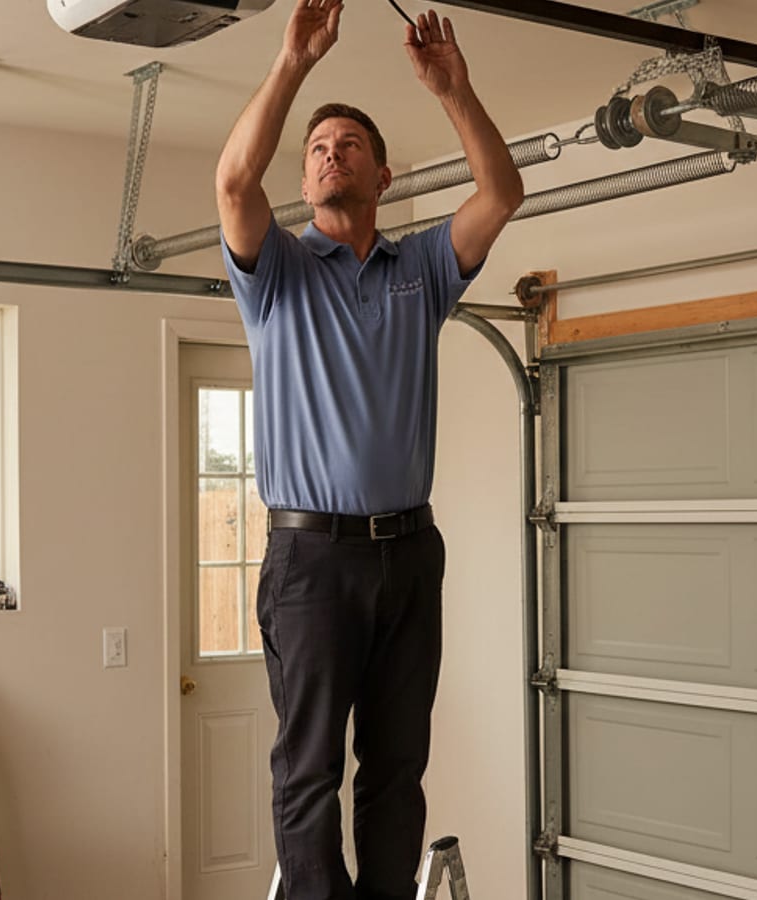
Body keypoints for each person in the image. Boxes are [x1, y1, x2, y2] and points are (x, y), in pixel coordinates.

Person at [214, 1, 522, 898]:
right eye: (316, 148)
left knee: (396, 770)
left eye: (347, 144)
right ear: (304, 181)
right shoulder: (274, 271)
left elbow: (501, 195)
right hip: (309, 560)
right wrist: (292, 62)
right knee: (308, 770)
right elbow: (235, 182)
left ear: (382, 174)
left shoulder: (420, 270)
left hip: (409, 556)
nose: (327, 153)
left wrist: (455, 90)